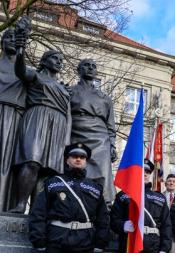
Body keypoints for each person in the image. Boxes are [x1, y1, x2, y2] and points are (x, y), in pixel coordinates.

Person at [10, 31, 71, 213]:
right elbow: (19, 70)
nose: (59, 62)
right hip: (37, 116)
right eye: (55, 58)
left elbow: (69, 113)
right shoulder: (36, 76)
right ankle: (20, 204)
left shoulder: (63, 86)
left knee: (48, 170)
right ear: (44, 61)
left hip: (58, 123)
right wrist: (21, 49)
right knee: (31, 161)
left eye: (61, 59)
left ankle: (38, 209)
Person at [28, 143, 109, 253]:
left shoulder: (95, 187)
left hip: (85, 242)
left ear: (85, 162)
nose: (78, 159)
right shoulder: (52, 183)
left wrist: (100, 243)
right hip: (56, 240)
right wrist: (39, 241)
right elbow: (38, 212)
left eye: (82, 157)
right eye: (74, 156)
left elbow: (103, 218)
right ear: (67, 160)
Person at [70, 58, 117, 204]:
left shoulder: (105, 98)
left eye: (93, 66)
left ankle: (105, 206)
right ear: (79, 70)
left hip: (100, 138)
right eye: (86, 65)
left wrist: (112, 145)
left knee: (102, 174)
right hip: (76, 133)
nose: (90, 68)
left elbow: (110, 125)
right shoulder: (70, 91)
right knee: (75, 171)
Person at [110, 159, 172, 253]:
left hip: (153, 246)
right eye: (142, 170)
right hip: (130, 242)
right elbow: (113, 220)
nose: (145, 174)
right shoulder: (123, 195)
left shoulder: (160, 197)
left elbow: (166, 225)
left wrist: (165, 249)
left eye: (147, 171)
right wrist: (122, 225)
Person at [0, 28, 26, 211]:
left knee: (9, 162)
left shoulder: (25, 71)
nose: (11, 40)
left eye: (15, 38)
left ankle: (4, 205)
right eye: (8, 37)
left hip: (16, 117)